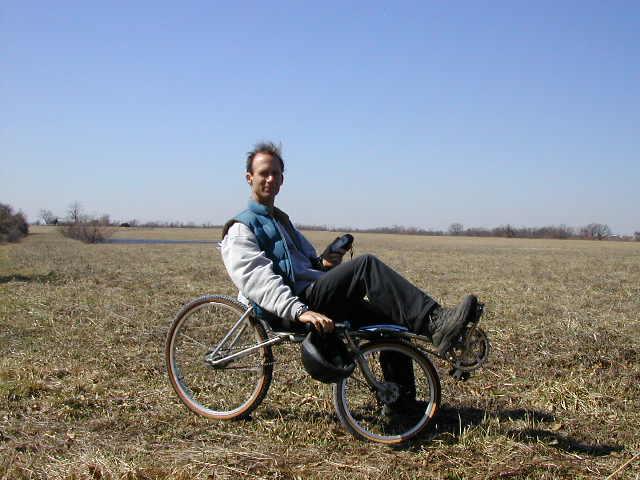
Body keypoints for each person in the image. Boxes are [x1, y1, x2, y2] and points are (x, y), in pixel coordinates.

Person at [220, 141, 479, 360]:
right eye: (264, 173)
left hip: (311, 295)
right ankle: (436, 322)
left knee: (389, 323)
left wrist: (325, 265)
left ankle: (402, 405)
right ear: (249, 178)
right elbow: (258, 281)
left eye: (276, 173)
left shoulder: (282, 221)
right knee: (366, 265)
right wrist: (300, 311)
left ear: (282, 179)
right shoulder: (241, 228)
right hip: (292, 307)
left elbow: (303, 267)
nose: (270, 179)